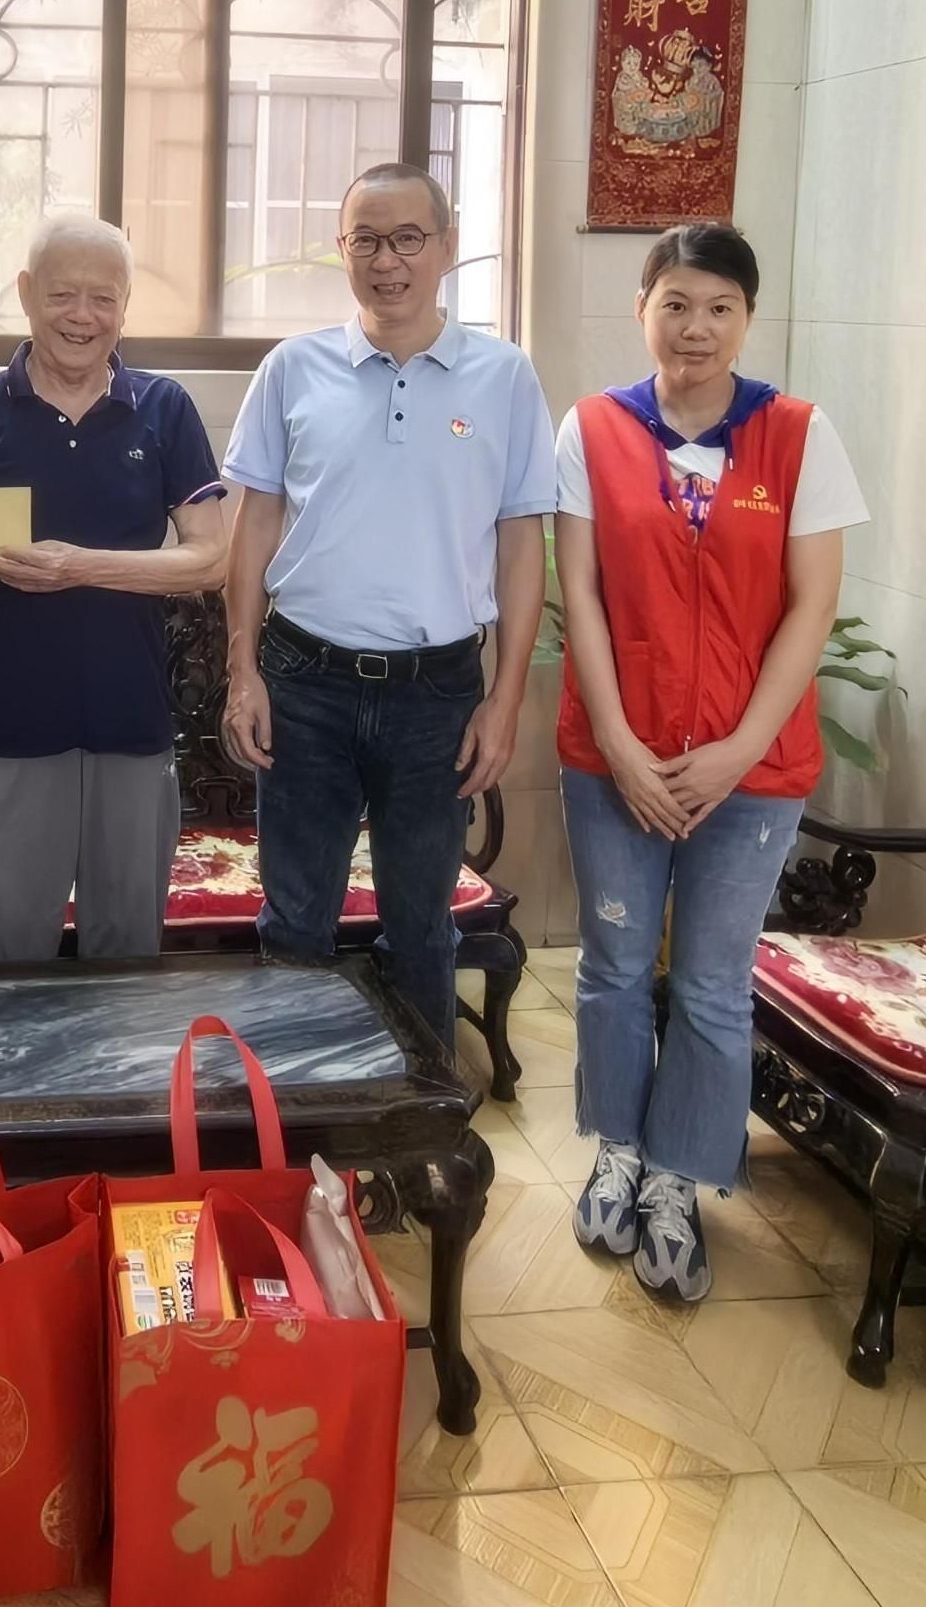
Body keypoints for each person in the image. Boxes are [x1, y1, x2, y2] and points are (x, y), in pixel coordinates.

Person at [553, 222, 866, 1303]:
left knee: (712, 984)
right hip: (616, 760)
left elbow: (811, 606)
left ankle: (679, 1177)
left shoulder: (798, 434)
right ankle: (618, 1150)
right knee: (611, 964)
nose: (696, 327)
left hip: (752, 772)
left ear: (747, 318)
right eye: (675, 303)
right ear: (642, 309)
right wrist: (621, 745)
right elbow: (581, 595)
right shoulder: (592, 427)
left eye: (719, 307)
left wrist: (736, 752)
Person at [221, 162, 556, 1043]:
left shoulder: (504, 376)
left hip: (435, 695)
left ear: (446, 247)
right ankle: (293, 1109)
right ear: (342, 249)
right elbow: (253, 529)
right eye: (366, 240)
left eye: (408, 238)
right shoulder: (293, 368)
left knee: (421, 930)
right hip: (304, 681)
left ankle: (419, 1113)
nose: (386, 260)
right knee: (294, 923)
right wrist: (242, 671)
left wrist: (505, 699)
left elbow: (522, 543)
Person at [0, 213, 228, 959]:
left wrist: (81, 566)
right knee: (4, 953)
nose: (83, 316)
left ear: (125, 305)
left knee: (126, 955)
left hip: (132, 726)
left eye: (103, 298)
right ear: (26, 293)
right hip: (2, 733)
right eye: (62, 295)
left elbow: (211, 559)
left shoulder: (165, 408)